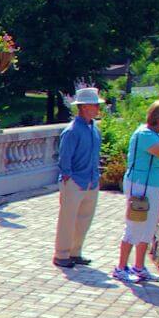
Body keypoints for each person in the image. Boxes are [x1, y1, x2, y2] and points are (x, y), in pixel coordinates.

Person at [113, 100, 159, 283]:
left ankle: (139, 267)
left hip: (152, 185)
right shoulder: (145, 134)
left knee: (148, 227)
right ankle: (120, 268)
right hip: (140, 186)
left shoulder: (158, 134)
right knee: (134, 224)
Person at [53, 87, 104, 268]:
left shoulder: (94, 128)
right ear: (84, 107)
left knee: (84, 219)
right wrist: (68, 177)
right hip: (74, 181)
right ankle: (61, 254)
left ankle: (75, 252)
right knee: (68, 219)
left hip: (91, 181)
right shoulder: (72, 130)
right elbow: (64, 157)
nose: (98, 108)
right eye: (95, 104)